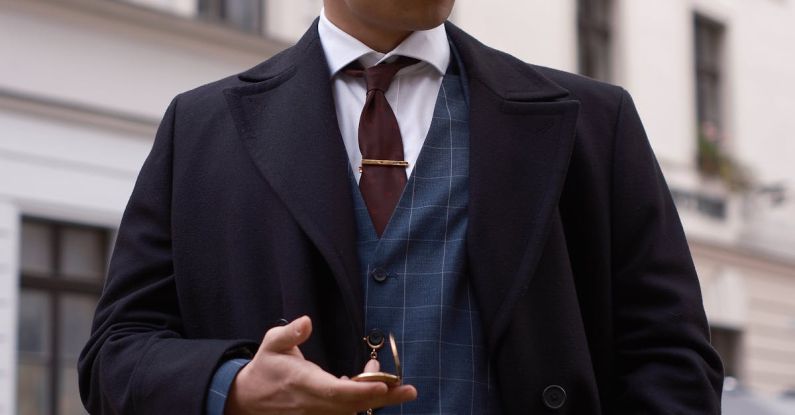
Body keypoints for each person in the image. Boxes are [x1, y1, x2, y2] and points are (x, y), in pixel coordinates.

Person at [78, 0, 724, 414]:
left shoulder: (592, 124)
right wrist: (233, 385)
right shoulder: (201, 128)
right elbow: (115, 355)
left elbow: (672, 361)